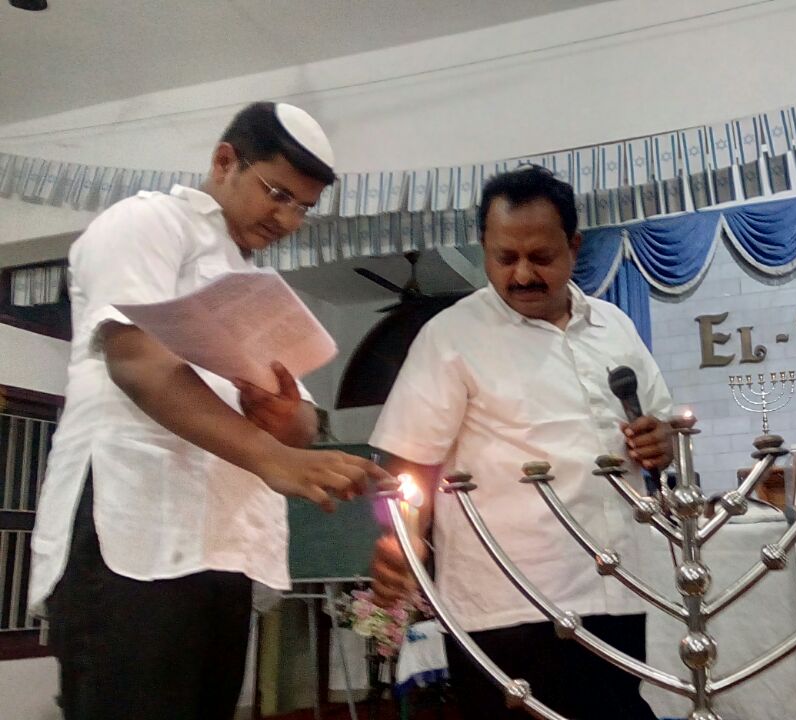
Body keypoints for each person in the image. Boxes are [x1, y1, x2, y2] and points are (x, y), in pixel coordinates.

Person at [28, 102, 387, 720]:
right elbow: (137, 363)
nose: (288, 219)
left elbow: (302, 421)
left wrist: (285, 421)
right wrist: (271, 456)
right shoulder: (147, 222)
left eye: (303, 207)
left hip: (222, 546)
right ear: (225, 162)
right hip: (131, 531)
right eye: (278, 194)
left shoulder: (248, 282)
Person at [368, 166, 673, 719]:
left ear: (574, 246)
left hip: (618, 585)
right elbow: (410, 462)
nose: (523, 275)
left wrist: (662, 439)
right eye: (505, 258)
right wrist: (403, 540)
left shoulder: (614, 326)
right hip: (509, 602)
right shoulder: (451, 337)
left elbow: (661, 422)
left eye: (541, 257)